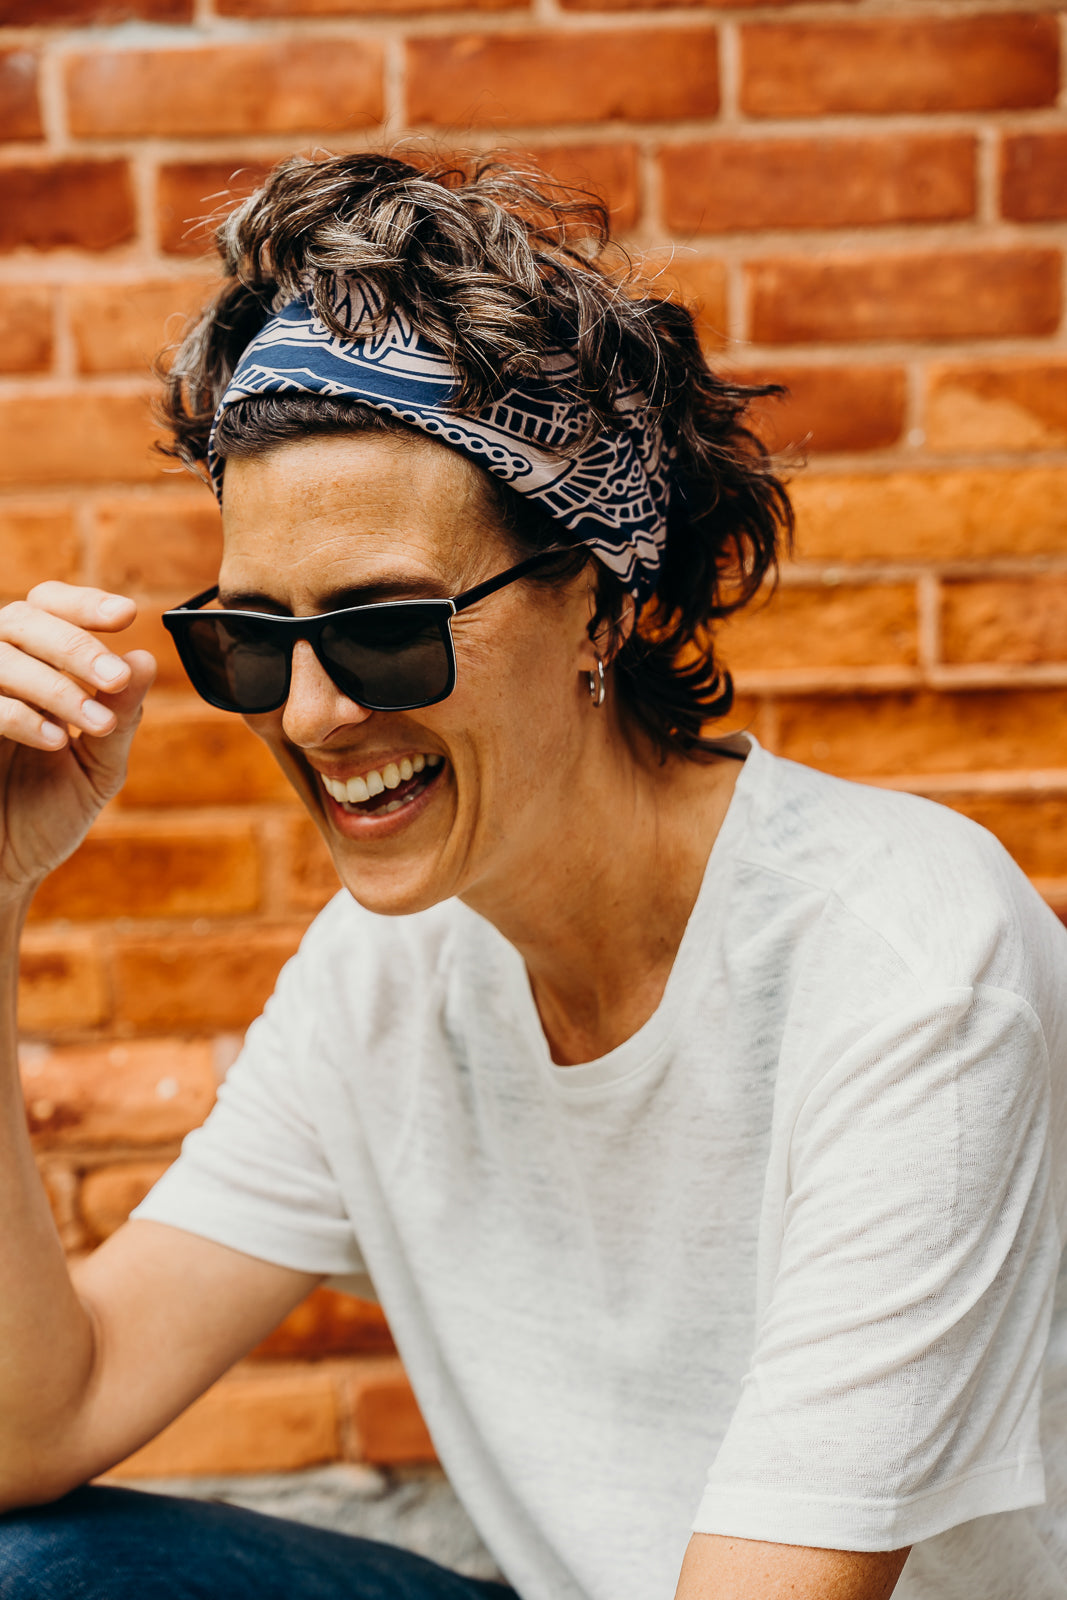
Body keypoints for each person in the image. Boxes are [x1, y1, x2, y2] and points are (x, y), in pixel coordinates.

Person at [0, 154, 1064, 1600]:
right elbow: (38, 1422)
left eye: (387, 629)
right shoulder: (385, 973)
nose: (311, 717)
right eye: (251, 641)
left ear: (599, 609)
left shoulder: (909, 964)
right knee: (41, 1564)